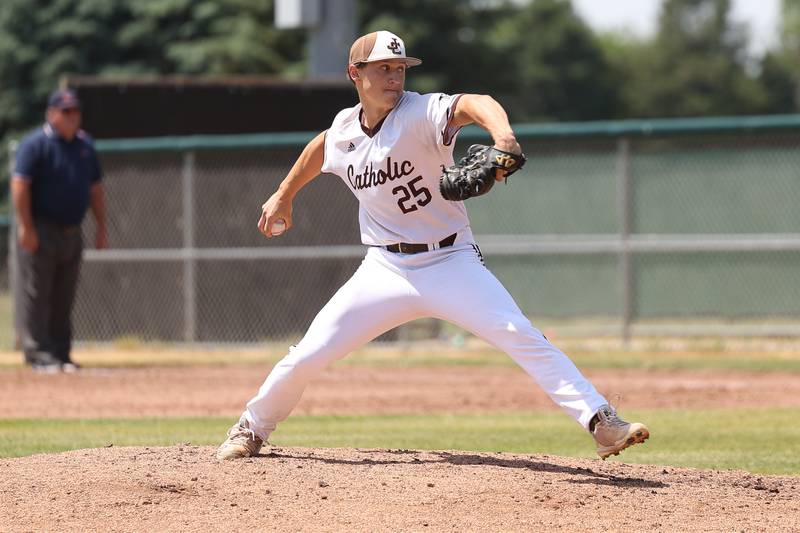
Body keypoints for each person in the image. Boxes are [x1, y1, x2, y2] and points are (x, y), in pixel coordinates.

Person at [217, 31, 648, 460]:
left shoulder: (421, 111)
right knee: (308, 353)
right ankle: (251, 429)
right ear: (355, 74)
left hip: (450, 259)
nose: (394, 77)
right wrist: (284, 194)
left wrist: (504, 138)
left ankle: (601, 422)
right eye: (384, 68)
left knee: (520, 334)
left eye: (400, 68)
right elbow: (320, 149)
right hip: (383, 269)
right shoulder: (345, 128)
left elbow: (474, 102)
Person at [11, 88, 107, 373]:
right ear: (51, 113)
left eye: (76, 111)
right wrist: (26, 226)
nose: (72, 116)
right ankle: (38, 354)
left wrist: (101, 226)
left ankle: (61, 353)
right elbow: (20, 186)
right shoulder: (35, 144)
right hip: (41, 228)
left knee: (64, 295)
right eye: (66, 111)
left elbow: (96, 190)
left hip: (72, 230)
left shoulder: (84, 146)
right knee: (37, 293)